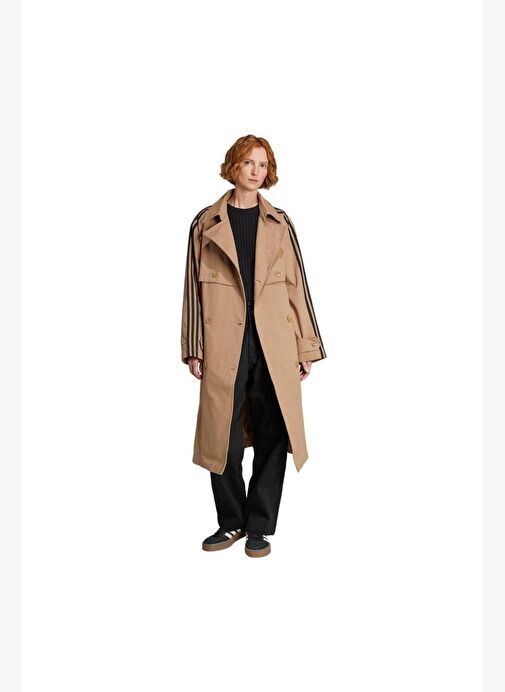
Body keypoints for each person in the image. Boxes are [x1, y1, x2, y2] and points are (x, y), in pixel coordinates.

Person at [180, 134, 327, 557]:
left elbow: (298, 286)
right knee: (220, 435)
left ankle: (259, 525)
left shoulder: (280, 222)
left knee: (272, 431)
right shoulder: (205, 223)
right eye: (248, 162)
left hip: (274, 340)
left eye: (263, 165)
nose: (255, 171)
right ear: (234, 166)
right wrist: (194, 345)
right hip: (222, 339)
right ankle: (230, 522)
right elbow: (192, 289)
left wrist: (306, 346)